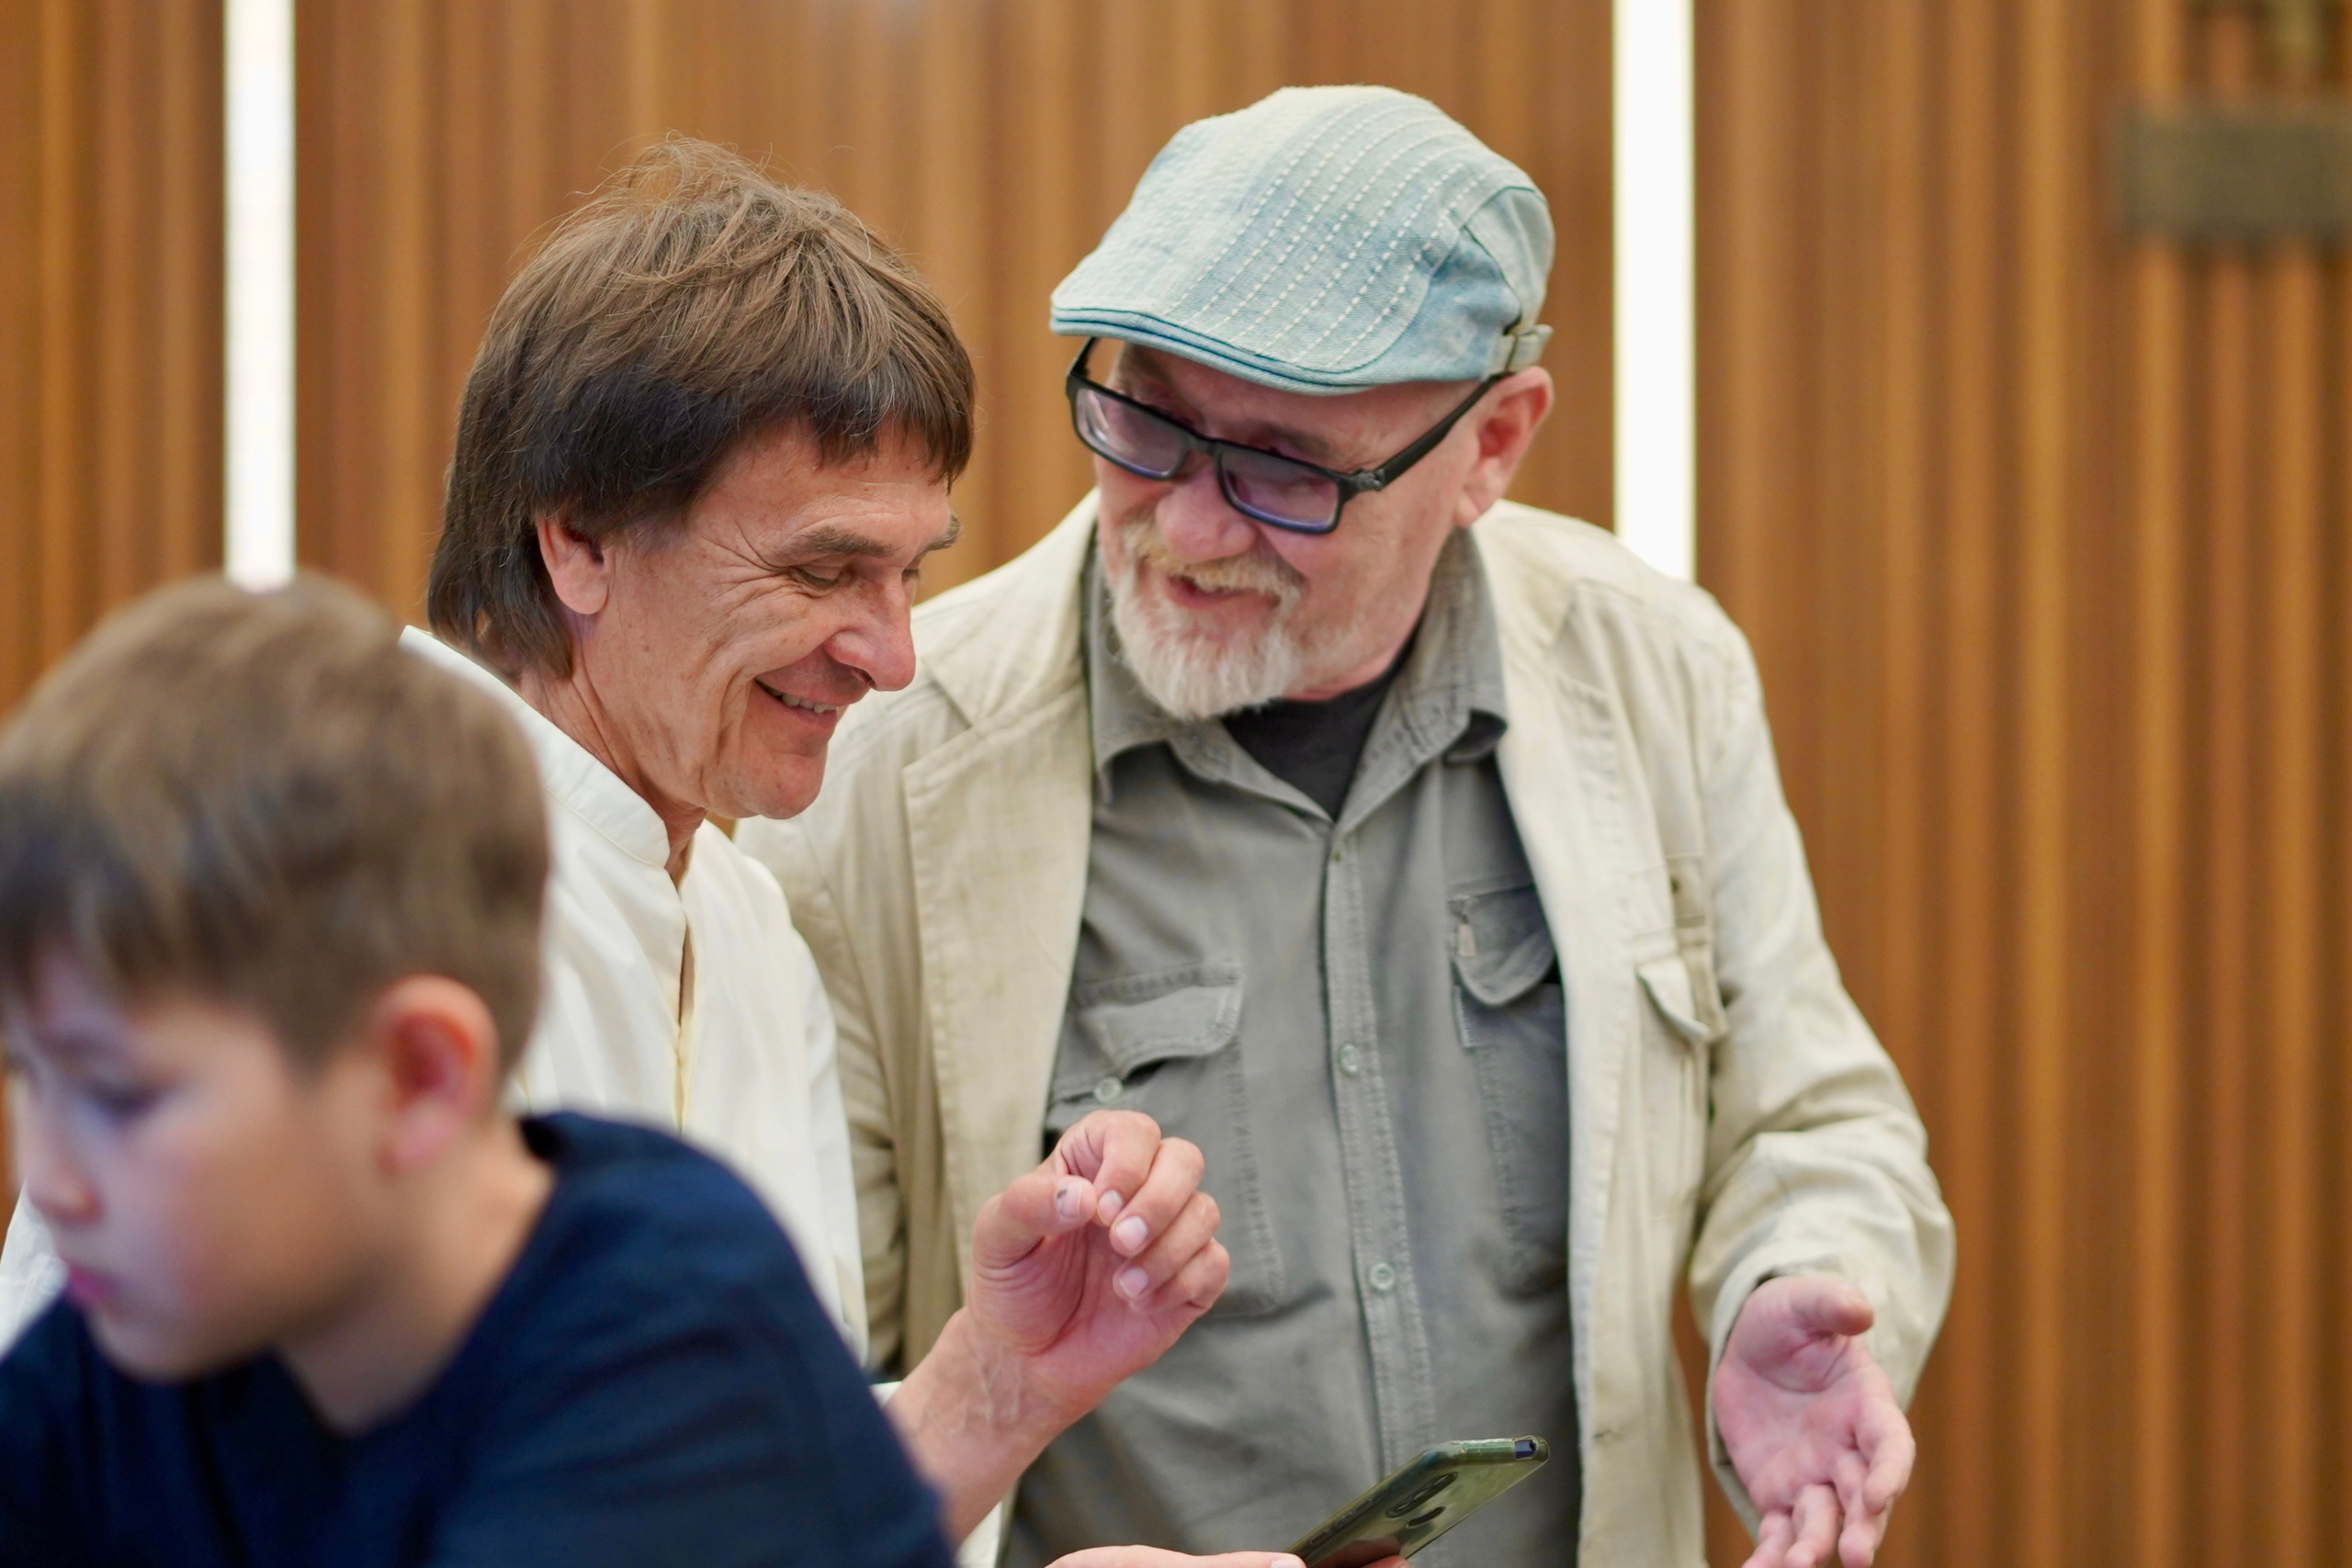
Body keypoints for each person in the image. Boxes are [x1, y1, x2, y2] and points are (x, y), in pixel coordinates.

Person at [0, 140, 1281, 1568]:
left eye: (909, 573)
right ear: (577, 544)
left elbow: (720, 1509)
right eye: (819, 571)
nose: (893, 655)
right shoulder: (300, 888)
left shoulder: (739, 920)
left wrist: (998, 1382)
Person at [743, 86, 1957, 1568]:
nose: (1188, 528)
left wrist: (1796, 1275)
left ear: (1494, 445)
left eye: (1281, 469)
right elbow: (789, 1405)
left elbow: (1811, 1117)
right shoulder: (890, 767)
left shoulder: (1657, 676)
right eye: (1146, 423)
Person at [0, 578, 1314, 1568]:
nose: (48, 1178)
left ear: (416, 1079)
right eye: (26, 1076)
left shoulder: (672, 1325)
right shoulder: (112, 1366)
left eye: (122, 1098)